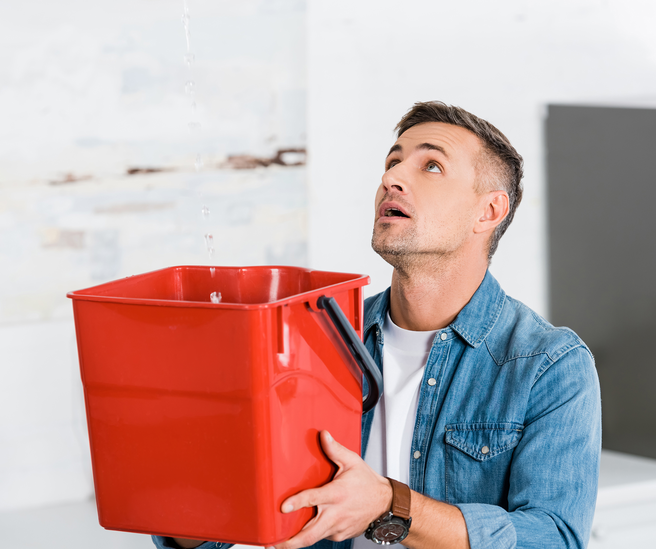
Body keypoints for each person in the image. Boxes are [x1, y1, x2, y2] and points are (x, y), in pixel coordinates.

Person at [156, 101, 601, 549]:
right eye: (392, 161)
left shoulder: (548, 365)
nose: (393, 178)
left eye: (430, 165)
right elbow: (211, 530)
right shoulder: (316, 339)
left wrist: (390, 504)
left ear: (487, 212)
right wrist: (192, 466)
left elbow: (553, 538)